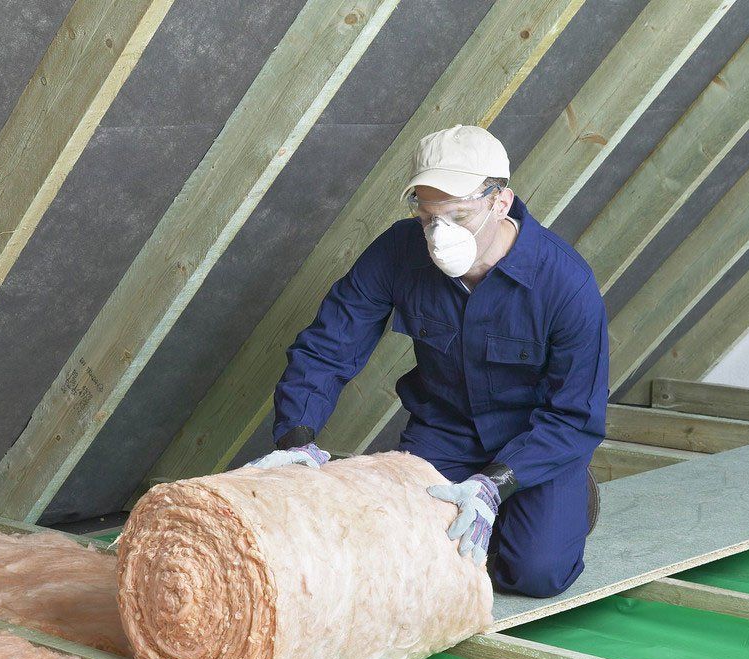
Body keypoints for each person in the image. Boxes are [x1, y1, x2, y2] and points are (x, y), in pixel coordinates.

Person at [247, 124, 608, 598]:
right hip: (446, 433)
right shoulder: (399, 252)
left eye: (458, 215)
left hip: (535, 442)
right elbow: (329, 344)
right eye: (428, 216)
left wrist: (497, 483)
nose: (440, 235)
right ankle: (496, 518)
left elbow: (576, 415)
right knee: (391, 554)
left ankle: (569, 498)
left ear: (501, 202)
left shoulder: (566, 285)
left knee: (535, 573)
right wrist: (297, 435)